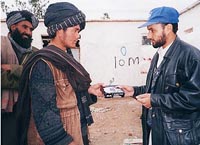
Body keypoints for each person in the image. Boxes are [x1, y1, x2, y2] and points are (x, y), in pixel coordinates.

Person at [15, 2, 103, 145]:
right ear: (59, 30)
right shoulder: (43, 64)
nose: (78, 35)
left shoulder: (66, 59)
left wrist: (89, 92)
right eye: (75, 30)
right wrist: (65, 142)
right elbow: (44, 115)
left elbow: (70, 97)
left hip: (76, 132)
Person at [121, 6, 200, 145]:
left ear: (168, 28)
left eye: (152, 30)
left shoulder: (191, 56)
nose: (149, 35)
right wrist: (134, 91)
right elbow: (158, 89)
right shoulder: (159, 55)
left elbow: (193, 99)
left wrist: (155, 100)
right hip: (157, 130)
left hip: (177, 137)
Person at [1, 10, 39, 145]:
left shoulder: (35, 53)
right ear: (13, 27)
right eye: (24, 27)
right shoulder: (1, 45)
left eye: (31, 29)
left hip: (27, 111)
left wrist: (14, 69)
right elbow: (29, 77)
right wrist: (25, 77)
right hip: (5, 113)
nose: (28, 32)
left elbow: (37, 77)